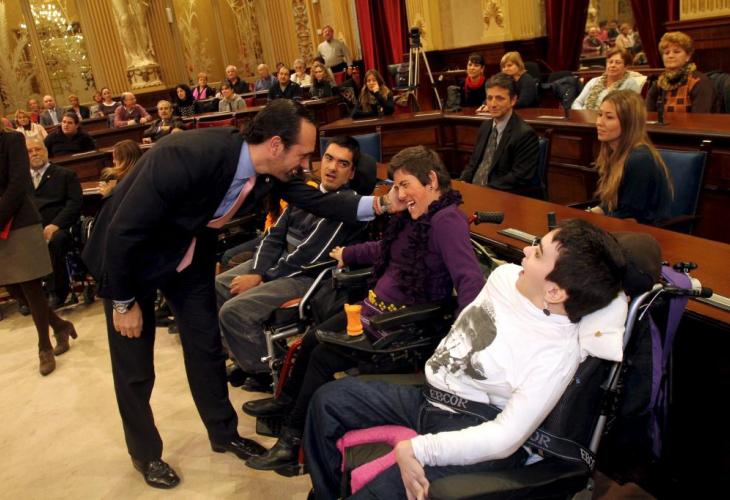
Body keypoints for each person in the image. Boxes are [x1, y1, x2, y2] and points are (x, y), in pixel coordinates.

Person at [81, 99, 404, 489]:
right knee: (135, 365)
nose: (306, 164)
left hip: (187, 256)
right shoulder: (185, 155)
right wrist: (123, 301)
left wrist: (382, 203)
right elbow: (123, 230)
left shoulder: (268, 171)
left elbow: (322, 201)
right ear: (275, 145)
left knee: (205, 346)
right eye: (302, 154)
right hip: (131, 259)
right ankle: (145, 453)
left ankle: (224, 433)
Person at [304, 218, 627, 499]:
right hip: (428, 396)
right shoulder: (505, 277)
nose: (527, 251)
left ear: (554, 292)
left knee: (380, 492)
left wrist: (420, 449)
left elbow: (504, 439)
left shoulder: (556, 354)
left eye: (538, 253)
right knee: (327, 400)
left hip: (476, 424)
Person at [245, 146, 485, 472]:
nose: (399, 194)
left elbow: (470, 282)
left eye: (404, 185)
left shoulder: (446, 221)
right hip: (375, 311)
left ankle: (291, 441)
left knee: (322, 355)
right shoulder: (414, 214)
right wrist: (349, 253)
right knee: (313, 337)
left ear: (430, 180)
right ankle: (285, 405)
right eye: (395, 186)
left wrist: (461, 341)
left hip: (403, 327)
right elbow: (386, 248)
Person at [216, 136, 367, 388]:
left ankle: (268, 373)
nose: (332, 168)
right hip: (280, 264)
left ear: (351, 173)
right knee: (219, 285)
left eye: (342, 164)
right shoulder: (307, 193)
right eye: (329, 159)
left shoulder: (347, 205)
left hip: (307, 277)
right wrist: (258, 270)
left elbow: (308, 256)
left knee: (233, 311)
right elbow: (273, 236)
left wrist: (262, 277)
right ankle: (246, 358)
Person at [1, 126, 77, 376]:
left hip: (19, 221)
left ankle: (44, 347)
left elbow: (18, 184)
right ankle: (60, 325)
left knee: (31, 286)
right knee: (13, 288)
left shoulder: (12, 139)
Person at [589, 90, 672, 225]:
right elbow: (610, 206)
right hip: (620, 225)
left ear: (629, 123)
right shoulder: (614, 153)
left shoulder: (640, 160)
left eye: (609, 117)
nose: (599, 122)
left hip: (644, 232)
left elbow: (630, 217)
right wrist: (586, 214)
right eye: (599, 115)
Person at [26, 137, 83, 309]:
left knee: (55, 240)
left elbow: (75, 203)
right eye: (29, 151)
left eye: (38, 149)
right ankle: (28, 296)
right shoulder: (20, 180)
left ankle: (56, 292)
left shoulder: (65, 174)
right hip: (31, 228)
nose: (34, 153)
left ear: (46, 151)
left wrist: (56, 224)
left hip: (60, 227)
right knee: (17, 243)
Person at [460, 73, 539, 191]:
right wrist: (462, 182)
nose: (493, 104)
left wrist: (483, 191)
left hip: (502, 195)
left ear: (513, 100)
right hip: (475, 191)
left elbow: (518, 177)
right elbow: (473, 163)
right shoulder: (485, 126)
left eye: (499, 98)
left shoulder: (525, 134)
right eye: (489, 98)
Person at [646, 31, 716, 114]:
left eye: (676, 52)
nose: (670, 56)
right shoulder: (659, 83)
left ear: (688, 56)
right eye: (666, 53)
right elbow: (647, 114)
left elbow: (700, 118)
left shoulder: (700, 82)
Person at [572, 48, 643, 110]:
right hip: (585, 117)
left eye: (618, 62)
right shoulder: (594, 81)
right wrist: (584, 114)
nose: (612, 65)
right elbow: (577, 102)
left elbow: (628, 109)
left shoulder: (631, 84)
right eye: (610, 62)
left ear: (626, 66)